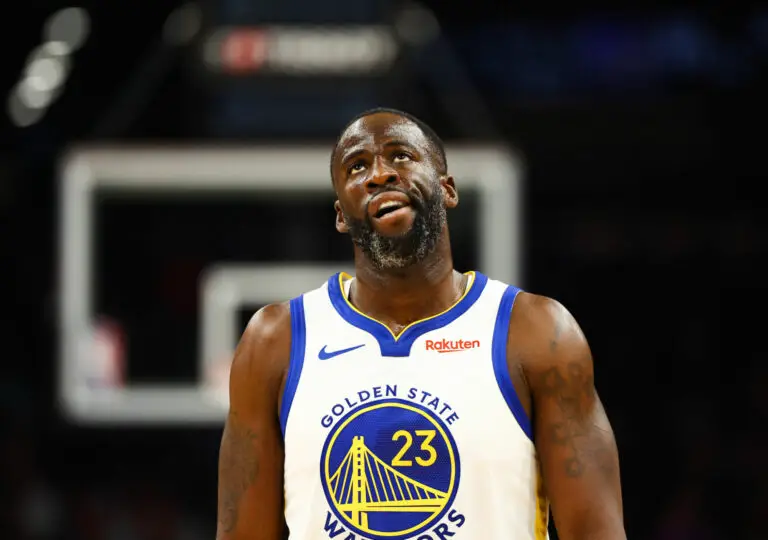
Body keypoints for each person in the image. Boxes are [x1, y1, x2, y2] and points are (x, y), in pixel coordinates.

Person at [216, 108, 626, 540]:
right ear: (340, 215)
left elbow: (596, 531)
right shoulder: (275, 341)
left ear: (448, 189)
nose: (379, 174)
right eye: (357, 167)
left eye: (401, 156)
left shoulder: (537, 332)